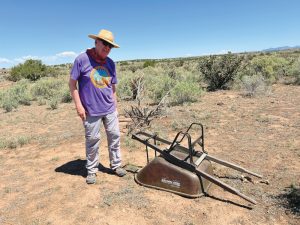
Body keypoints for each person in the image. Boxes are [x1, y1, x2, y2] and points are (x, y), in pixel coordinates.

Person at [69, 29, 126, 184]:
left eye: (110, 46)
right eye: (105, 44)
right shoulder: (82, 59)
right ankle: (92, 170)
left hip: (109, 109)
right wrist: (79, 106)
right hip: (90, 111)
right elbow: (72, 84)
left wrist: (115, 105)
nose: (107, 48)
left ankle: (116, 165)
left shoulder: (110, 63)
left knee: (114, 137)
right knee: (93, 140)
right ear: (96, 42)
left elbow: (112, 87)